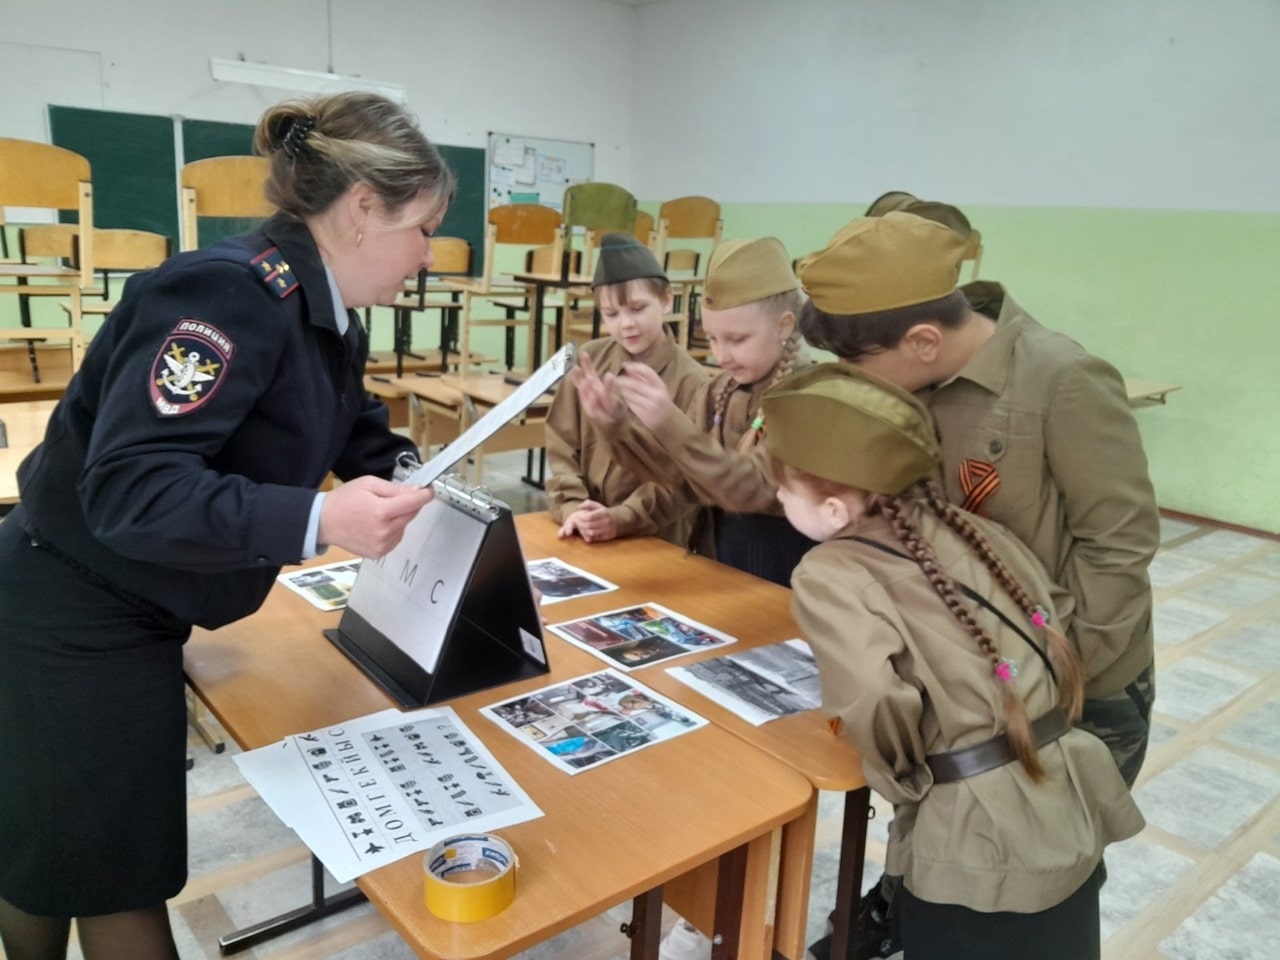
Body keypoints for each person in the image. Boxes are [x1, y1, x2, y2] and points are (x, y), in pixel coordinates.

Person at [0, 91, 449, 960]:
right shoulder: (223, 293)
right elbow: (132, 490)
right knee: (103, 877)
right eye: (423, 228)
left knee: (74, 855)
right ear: (362, 210)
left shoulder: (325, 309)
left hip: (130, 603)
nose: (427, 256)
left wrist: (414, 478)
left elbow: (344, 425)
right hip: (70, 610)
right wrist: (320, 518)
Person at [795, 209, 1160, 959]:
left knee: (1038, 879)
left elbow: (1118, 545)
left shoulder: (1060, 379)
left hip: (1071, 682)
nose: (855, 385)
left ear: (923, 340)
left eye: (859, 365)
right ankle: (908, 915)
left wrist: (1062, 678)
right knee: (958, 860)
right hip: (963, 688)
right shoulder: (913, 376)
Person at [572, 236, 816, 587]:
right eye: (713, 338)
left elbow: (751, 488)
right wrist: (616, 425)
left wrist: (667, 420)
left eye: (737, 339)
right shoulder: (718, 390)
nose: (721, 355)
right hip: (720, 565)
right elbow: (681, 481)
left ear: (785, 325)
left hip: (785, 575)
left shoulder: (808, 398)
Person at [545, 233, 708, 545]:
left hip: (654, 540)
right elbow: (562, 444)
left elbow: (682, 479)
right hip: (583, 529)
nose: (626, 324)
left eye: (637, 308)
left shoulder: (693, 383)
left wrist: (620, 519)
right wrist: (573, 508)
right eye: (611, 314)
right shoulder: (589, 361)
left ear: (666, 299)